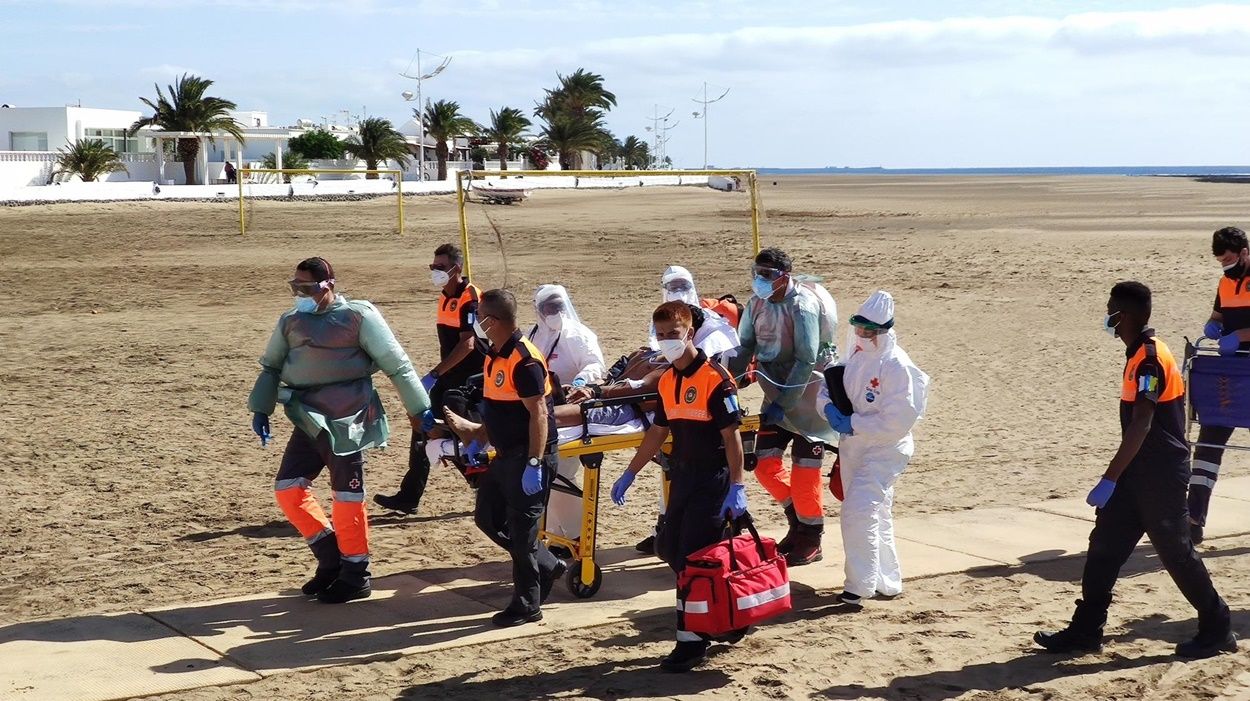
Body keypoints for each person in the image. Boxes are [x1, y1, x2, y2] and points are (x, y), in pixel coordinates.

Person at [1034, 281, 1235, 658]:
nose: (1107, 317)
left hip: (1160, 474)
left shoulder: (1150, 359)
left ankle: (1217, 626)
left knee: (1176, 553)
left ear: (1122, 315)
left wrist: (1109, 477)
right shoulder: (1138, 354)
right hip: (1138, 472)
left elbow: (1143, 422)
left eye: (1110, 309)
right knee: (1103, 549)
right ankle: (1086, 630)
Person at [248, 257, 431, 603]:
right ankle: (331, 558)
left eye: (306, 288)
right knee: (288, 489)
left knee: (346, 496)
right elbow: (271, 366)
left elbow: (397, 365)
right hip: (307, 417)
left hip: (349, 419)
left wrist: (419, 409)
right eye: (295, 287)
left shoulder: (358, 317)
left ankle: (356, 573)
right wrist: (261, 407)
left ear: (328, 284)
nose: (299, 294)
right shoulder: (290, 321)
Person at [611, 301, 748, 672]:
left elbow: (731, 438)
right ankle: (729, 616)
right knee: (670, 548)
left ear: (689, 333)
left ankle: (690, 641)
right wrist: (631, 471)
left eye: (672, 335)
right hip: (683, 477)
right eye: (660, 336)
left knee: (691, 557)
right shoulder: (668, 380)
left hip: (713, 479)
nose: (666, 341)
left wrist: (737, 485)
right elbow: (658, 430)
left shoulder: (716, 379)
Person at [731, 247, 837, 566]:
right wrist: (730, 381)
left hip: (809, 398)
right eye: (756, 273)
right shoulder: (756, 304)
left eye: (767, 275)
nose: (759, 280)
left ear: (784, 277)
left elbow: (806, 358)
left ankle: (811, 538)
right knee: (763, 464)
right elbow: (746, 345)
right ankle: (799, 521)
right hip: (774, 394)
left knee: (806, 472)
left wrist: (784, 403)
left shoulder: (802, 306)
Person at [821, 291, 929, 608]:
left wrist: (854, 422)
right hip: (853, 447)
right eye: (859, 328)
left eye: (869, 330)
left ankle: (859, 585)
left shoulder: (896, 367)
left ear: (883, 331)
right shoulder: (854, 354)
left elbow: (899, 420)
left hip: (885, 449)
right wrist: (828, 409)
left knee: (858, 511)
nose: (862, 335)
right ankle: (887, 580)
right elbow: (830, 386)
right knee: (876, 513)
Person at [471, 288, 565, 627]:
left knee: (522, 532)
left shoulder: (524, 360)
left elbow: (538, 414)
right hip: (504, 455)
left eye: (478, 315)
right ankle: (549, 564)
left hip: (527, 457)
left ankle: (528, 603)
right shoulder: (494, 354)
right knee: (487, 517)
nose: (475, 321)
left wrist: (535, 463)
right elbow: (495, 407)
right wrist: (481, 437)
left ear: (492, 321)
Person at [375, 243, 484, 515]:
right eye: (432, 267)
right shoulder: (444, 297)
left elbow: (468, 344)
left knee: (454, 434)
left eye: (439, 267)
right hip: (448, 377)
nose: (434, 271)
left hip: (469, 382)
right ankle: (409, 496)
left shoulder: (471, 298)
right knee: (422, 426)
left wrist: (435, 373)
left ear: (456, 269)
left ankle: (481, 481)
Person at [528, 284, 607, 548]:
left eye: (558, 306)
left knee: (561, 474)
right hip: (541, 409)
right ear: (539, 311)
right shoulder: (535, 335)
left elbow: (595, 364)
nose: (554, 312)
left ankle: (576, 536)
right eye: (548, 308)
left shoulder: (577, 335)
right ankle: (557, 537)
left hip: (570, 410)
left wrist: (584, 379)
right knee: (549, 477)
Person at [1189, 226, 1250, 543]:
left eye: (1228, 260)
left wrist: (1239, 336)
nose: (1225, 267)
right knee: (1208, 443)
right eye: (1219, 262)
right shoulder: (1225, 283)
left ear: (1243, 252)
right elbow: (1218, 315)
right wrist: (1214, 326)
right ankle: (1193, 519)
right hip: (1231, 372)